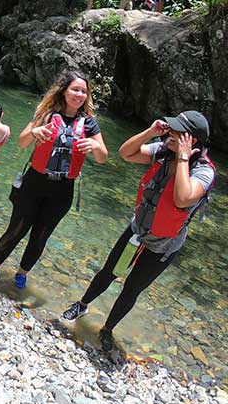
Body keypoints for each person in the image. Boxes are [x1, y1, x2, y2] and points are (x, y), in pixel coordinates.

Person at [62, 111, 215, 352]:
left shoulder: (204, 172)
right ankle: (82, 305)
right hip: (138, 231)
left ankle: (107, 329)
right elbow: (126, 153)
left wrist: (183, 159)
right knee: (109, 272)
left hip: (162, 246)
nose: (170, 134)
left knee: (132, 287)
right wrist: (150, 133)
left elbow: (183, 197)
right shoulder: (164, 150)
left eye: (176, 131)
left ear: (191, 139)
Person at [0, 70, 108, 289]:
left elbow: (103, 157)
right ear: (64, 90)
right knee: (16, 230)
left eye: (84, 91)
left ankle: (22, 273)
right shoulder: (46, 114)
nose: (79, 95)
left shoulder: (88, 124)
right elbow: (21, 143)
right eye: (75, 89)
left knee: (41, 236)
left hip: (63, 189)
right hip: (34, 182)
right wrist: (35, 132)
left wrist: (95, 146)